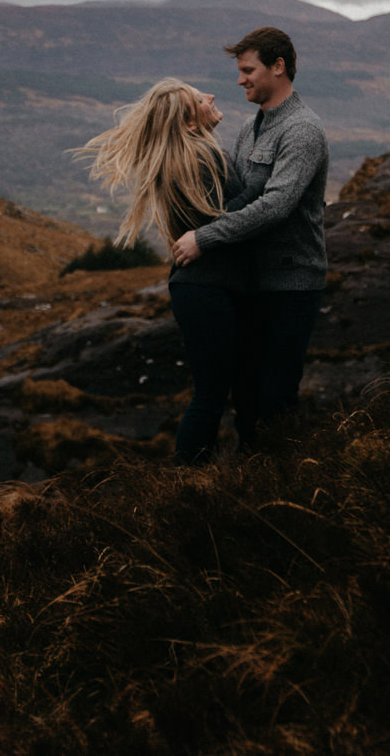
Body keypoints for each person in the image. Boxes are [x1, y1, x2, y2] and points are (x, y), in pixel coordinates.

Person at [78, 78, 254, 463]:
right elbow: (229, 218)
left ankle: (196, 482)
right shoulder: (202, 159)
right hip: (209, 291)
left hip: (202, 289)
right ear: (189, 124)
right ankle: (189, 483)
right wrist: (268, 186)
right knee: (212, 395)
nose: (210, 95)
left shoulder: (186, 158)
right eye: (198, 98)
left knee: (216, 392)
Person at [171, 26, 329, 444]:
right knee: (247, 399)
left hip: (291, 282)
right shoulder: (248, 128)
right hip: (250, 283)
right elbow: (238, 199)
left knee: (275, 399)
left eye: (248, 70)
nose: (240, 80)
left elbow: (275, 207)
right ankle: (249, 491)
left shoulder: (302, 131)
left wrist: (202, 238)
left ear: (278, 67)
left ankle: (281, 489)